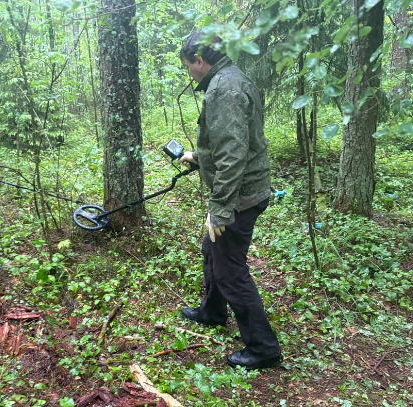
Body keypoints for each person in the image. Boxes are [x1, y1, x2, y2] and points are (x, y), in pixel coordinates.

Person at [177, 30, 282, 370]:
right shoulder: (231, 78)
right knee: (212, 251)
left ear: (199, 60)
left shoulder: (224, 88)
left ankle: (263, 348)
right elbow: (234, 140)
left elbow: (234, 153)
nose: (189, 73)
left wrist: (220, 208)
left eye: (188, 66)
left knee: (230, 271)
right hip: (244, 188)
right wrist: (198, 157)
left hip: (241, 196)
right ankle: (212, 311)